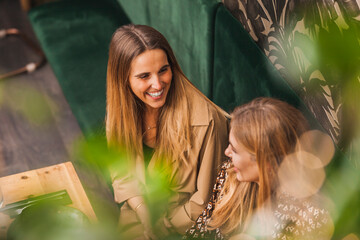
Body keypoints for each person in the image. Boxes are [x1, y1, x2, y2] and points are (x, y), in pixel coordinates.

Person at [106, 24, 229, 239]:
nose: (158, 84)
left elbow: (206, 198)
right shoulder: (119, 108)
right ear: (123, 79)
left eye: (163, 70)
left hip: (184, 226)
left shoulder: (207, 120)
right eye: (144, 76)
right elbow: (121, 170)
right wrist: (144, 214)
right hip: (138, 210)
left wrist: (162, 227)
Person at [184, 97, 333, 239]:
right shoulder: (230, 175)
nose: (226, 152)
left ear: (265, 162)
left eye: (234, 150)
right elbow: (199, 232)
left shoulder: (310, 218)